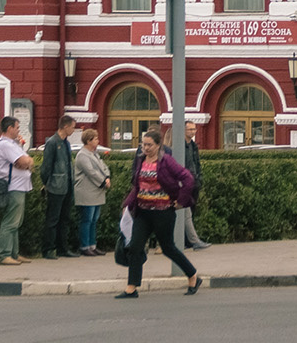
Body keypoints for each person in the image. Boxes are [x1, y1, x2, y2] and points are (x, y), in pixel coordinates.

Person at [117, 128, 200, 298]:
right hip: (143, 211)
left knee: (168, 248)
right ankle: (131, 288)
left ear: (158, 145)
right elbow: (137, 185)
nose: (145, 148)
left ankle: (192, 276)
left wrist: (180, 201)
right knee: (135, 247)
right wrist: (128, 204)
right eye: (143, 144)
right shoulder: (140, 160)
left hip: (163, 212)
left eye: (149, 145)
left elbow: (188, 178)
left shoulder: (166, 161)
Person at [0, 116, 33, 266]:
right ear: (9, 129)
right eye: (17, 127)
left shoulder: (12, 144)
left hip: (19, 186)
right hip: (12, 187)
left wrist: (27, 162)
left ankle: (14, 253)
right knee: (10, 222)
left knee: (16, 222)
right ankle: (4, 254)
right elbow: (23, 161)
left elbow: (28, 160)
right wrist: (26, 162)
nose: (18, 130)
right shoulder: (5, 145)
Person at [38, 115, 77, 259]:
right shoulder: (52, 142)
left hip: (66, 186)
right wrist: (46, 183)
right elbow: (46, 166)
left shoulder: (66, 143)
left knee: (64, 219)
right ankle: (48, 249)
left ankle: (63, 248)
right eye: (72, 127)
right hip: (56, 186)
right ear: (65, 126)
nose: (74, 130)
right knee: (52, 219)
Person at [73, 128, 110, 256]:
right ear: (88, 141)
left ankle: (93, 245)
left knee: (94, 220)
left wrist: (107, 177)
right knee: (86, 220)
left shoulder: (94, 153)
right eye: (95, 139)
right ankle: (84, 246)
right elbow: (91, 172)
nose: (98, 141)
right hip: (86, 192)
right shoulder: (82, 155)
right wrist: (103, 181)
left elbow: (103, 167)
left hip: (96, 192)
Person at [179, 121, 211, 251]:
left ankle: (187, 241)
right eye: (190, 129)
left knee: (191, 212)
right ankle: (191, 241)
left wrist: (199, 179)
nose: (193, 132)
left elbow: (197, 163)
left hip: (194, 183)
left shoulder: (193, 146)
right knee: (185, 213)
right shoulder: (180, 146)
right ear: (184, 130)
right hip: (184, 183)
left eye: (194, 129)